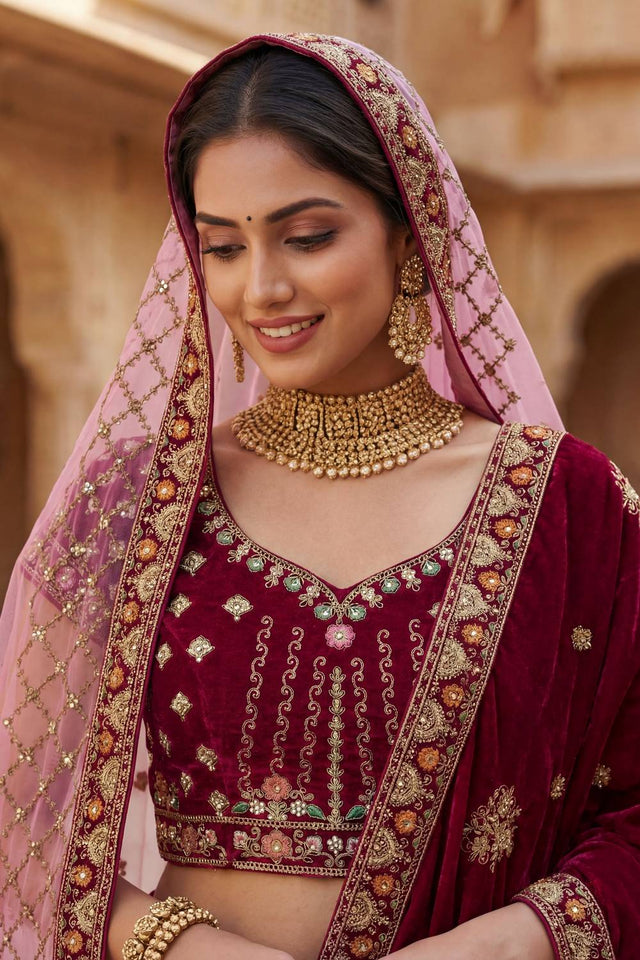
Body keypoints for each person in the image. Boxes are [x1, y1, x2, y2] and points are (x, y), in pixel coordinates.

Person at [1, 32, 638, 960]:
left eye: (308, 236)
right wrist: (181, 945)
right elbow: (25, 813)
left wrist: (509, 942)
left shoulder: (567, 505)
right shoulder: (136, 501)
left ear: (408, 228)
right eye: (221, 246)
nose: (261, 289)